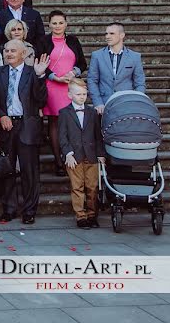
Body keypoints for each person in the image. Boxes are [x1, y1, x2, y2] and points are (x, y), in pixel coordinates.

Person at [0, 40, 50, 225]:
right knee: (6, 170)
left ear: (23, 53)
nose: (8, 53)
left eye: (13, 51)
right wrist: (2, 116)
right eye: (6, 50)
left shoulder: (33, 72)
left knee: (29, 171)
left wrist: (41, 77)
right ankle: (9, 209)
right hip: (6, 126)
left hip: (27, 126)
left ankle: (29, 210)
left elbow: (41, 100)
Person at [37, 10, 87, 176]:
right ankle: (59, 161)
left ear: (66, 24)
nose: (57, 26)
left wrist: (73, 73)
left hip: (71, 86)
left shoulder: (73, 40)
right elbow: (39, 61)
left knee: (73, 122)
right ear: (49, 24)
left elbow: (82, 63)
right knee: (55, 122)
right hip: (53, 86)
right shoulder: (44, 41)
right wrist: (55, 77)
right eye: (54, 23)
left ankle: (73, 157)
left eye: (60, 23)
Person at [58, 79, 105, 229]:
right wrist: (68, 153)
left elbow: (98, 136)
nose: (82, 97)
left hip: (91, 155)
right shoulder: (64, 113)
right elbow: (62, 136)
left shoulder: (92, 112)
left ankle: (92, 215)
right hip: (74, 156)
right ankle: (81, 216)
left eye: (84, 94)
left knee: (92, 186)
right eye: (78, 94)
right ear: (70, 95)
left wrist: (100, 154)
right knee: (77, 187)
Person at [87, 21, 146, 114]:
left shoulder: (135, 57)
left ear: (122, 35)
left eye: (112, 33)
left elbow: (140, 83)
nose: (107, 36)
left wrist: (135, 102)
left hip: (126, 105)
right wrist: (98, 103)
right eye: (106, 33)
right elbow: (92, 80)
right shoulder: (97, 56)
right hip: (103, 106)